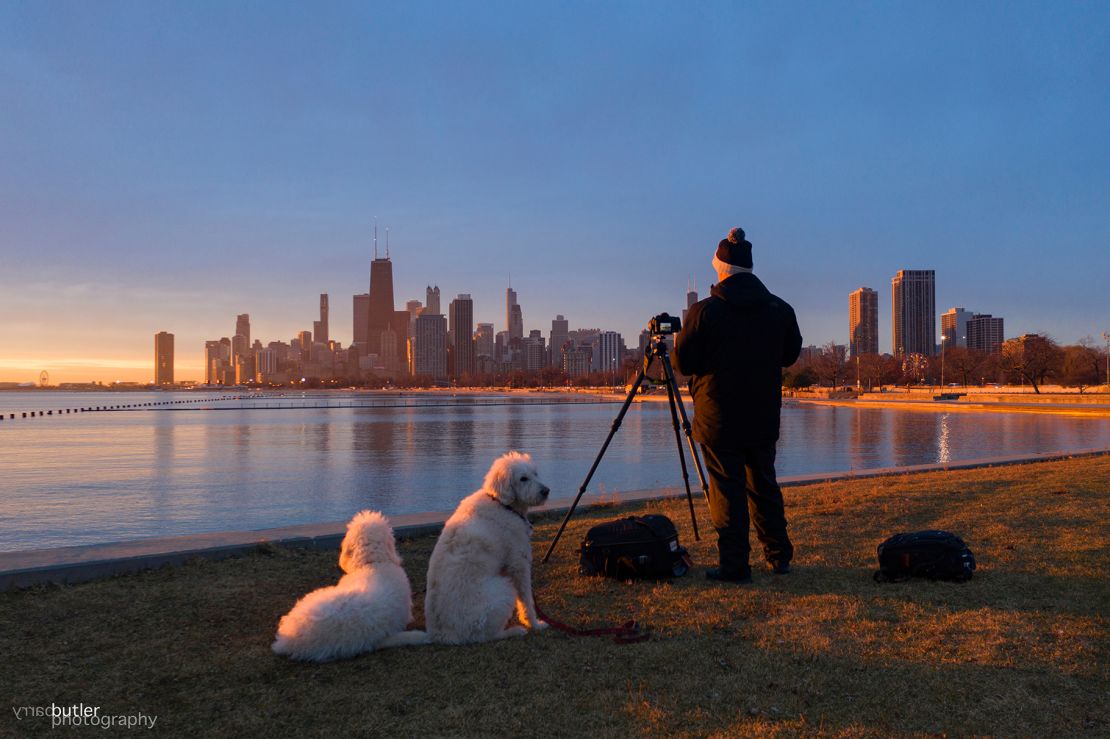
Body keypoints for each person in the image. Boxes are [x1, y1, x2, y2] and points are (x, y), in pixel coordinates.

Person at [673, 227, 802, 583]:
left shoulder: (704, 312)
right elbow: (789, 355)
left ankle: (735, 566)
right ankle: (779, 556)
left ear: (720, 267)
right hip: (763, 414)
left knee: (726, 490)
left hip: (719, 417)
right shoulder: (780, 309)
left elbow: (683, 364)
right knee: (764, 484)